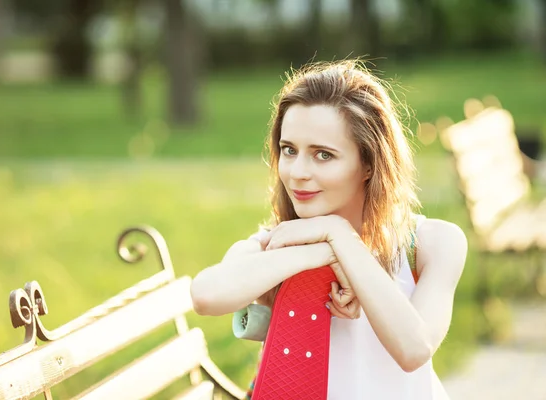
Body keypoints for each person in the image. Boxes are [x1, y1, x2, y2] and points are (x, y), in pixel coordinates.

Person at [190, 60, 467, 399]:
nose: (297, 172)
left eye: (323, 155)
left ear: (368, 164)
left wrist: (342, 237)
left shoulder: (430, 244)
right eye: (289, 150)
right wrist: (324, 247)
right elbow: (206, 296)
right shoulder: (276, 246)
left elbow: (414, 349)